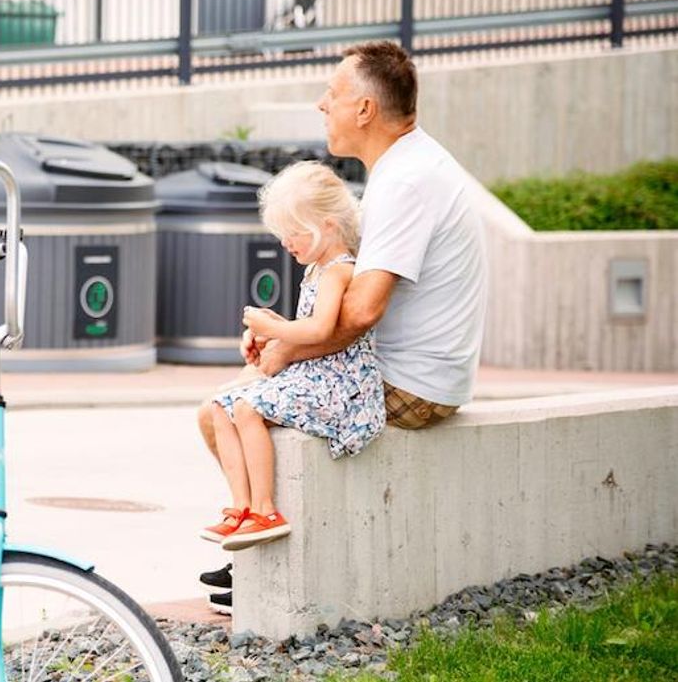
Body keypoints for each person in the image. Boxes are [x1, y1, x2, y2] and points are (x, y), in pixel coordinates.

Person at [197, 41, 488, 612]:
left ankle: (268, 563)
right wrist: (281, 339)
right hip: (406, 367)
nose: (319, 104)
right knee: (229, 403)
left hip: (411, 385)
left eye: (331, 94)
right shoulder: (407, 167)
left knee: (225, 411)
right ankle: (254, 548)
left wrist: (285, 350)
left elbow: (361, 312)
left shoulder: (405, 181)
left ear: (364, 110)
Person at [202, 162, 386, 555]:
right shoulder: (317, 269)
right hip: (314, 374)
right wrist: (273, 326)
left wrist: (275, 330)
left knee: (248, 407)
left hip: (340, 386)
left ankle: (266, 510)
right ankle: (241, 506)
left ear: (329, 225)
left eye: (294, 233)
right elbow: (306, 327)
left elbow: (320, 330)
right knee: (220, 407)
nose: (286, 243)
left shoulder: (339, 270)